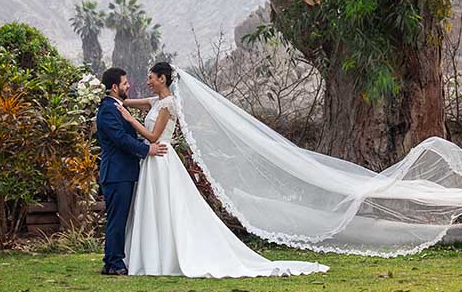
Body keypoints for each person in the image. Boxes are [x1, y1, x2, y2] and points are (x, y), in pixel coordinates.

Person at [115, 62, 329, 278]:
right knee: (154, 206)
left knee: (165, 206)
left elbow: (153, 137)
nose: (148, 82)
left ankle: (165, 256)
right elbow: (125, 102)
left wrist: (130, 119)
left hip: (161, 157)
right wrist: (110, 92)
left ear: (162, 78)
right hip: (152, 161)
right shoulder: (155, 102)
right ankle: (152, 255)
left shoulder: (169, 104)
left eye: (151, 77)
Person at [97, 67, 167, 276]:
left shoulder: (116, 106)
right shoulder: (109, 109)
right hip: (117, 173)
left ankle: (112, 260)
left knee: (120, 218)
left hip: (123, 172)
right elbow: (120, 139)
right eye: (125, 83)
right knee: (118, 218)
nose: (129, 86)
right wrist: (147, 149)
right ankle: (114, 263)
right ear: (115, 87)